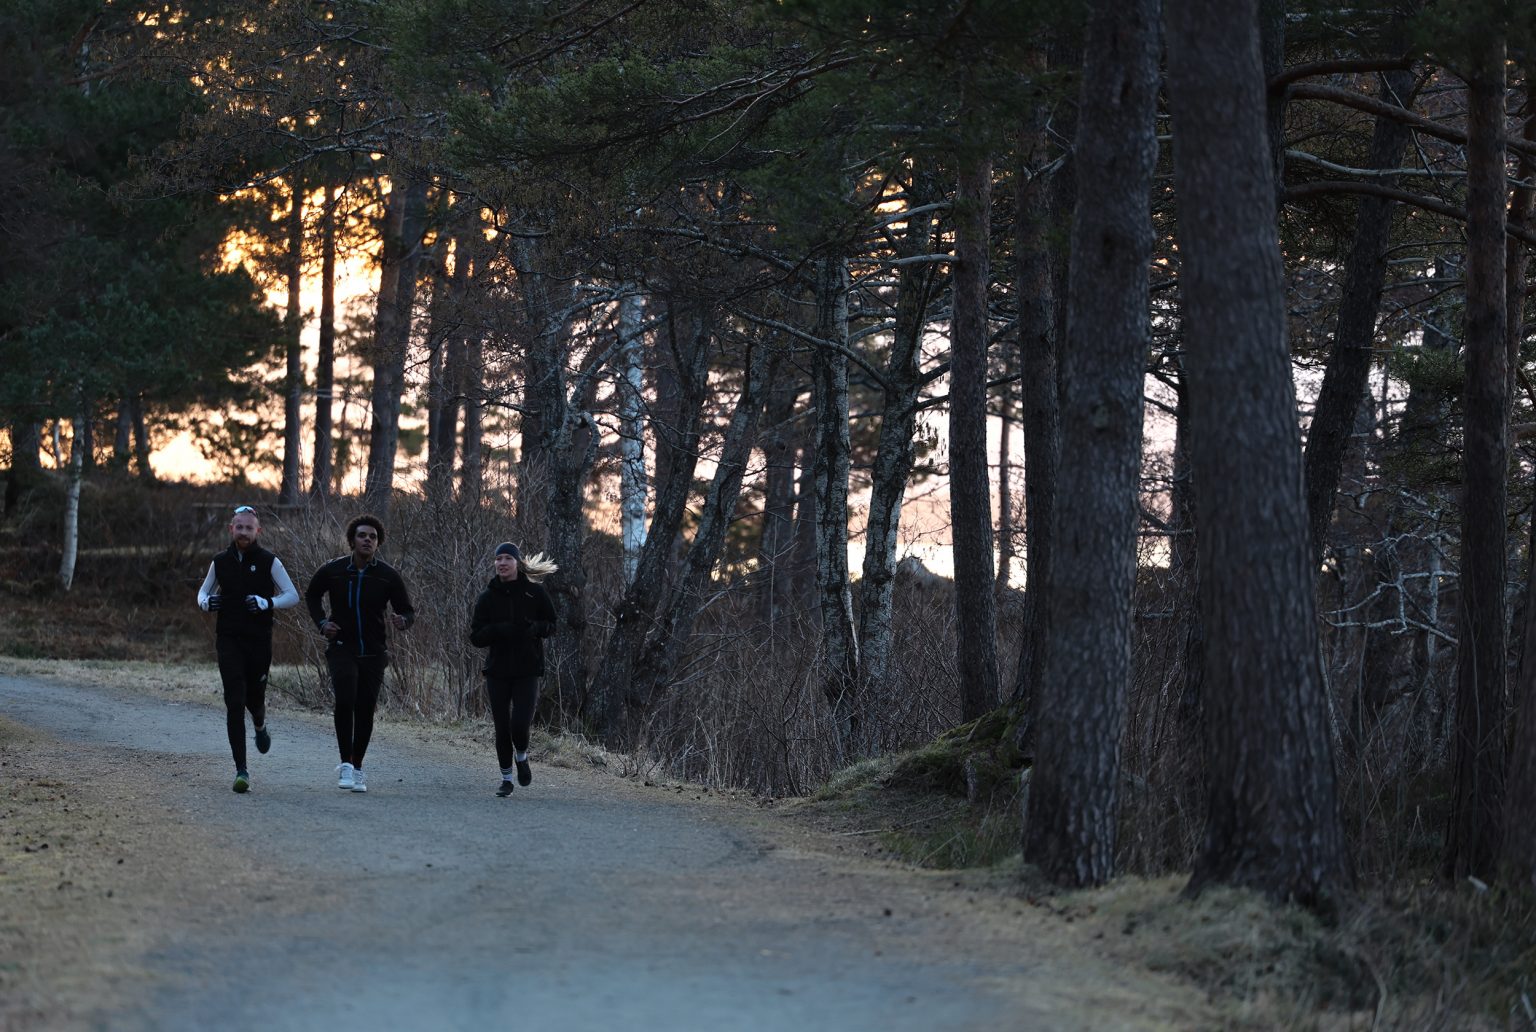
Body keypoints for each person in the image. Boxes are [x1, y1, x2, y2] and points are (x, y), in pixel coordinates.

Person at [304, 514, 415, 794]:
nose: (367, 540)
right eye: (362, 535)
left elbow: (407, 610)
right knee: (345, 700)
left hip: (374, 652)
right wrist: (322, 623)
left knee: (365, 708)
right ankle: (345, 764)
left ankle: (358, 767)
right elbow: (312, 595)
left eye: (373, 537)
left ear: (378, 543)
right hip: (342, 647)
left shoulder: (387, 575)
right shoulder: (334, 570)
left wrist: (403, 620)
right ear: (352, 540)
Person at [196, 505, 301, 794]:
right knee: (234, 701)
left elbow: (292, 595)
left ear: (258, 531)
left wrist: (268, 603)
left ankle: (260, 724)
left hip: (258, 641)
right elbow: (203, 592)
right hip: (228, 639)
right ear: (231, 529)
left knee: (254, 700)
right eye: (239, 527)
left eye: (248, 528)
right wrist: (205, 603)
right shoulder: (220, 561)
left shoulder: (269, 561)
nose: (243, 532)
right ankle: (241, 770)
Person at [469, 542, 558, 797]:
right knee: (502, 727)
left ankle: (521, 756)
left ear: (517, 563)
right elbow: (475, 637)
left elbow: (552, 624)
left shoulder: (535, 593)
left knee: (519, 725)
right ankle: (506, 779)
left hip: (527, 670)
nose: (502, 563)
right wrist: (498, 630)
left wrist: (535, 628)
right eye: (498, 559)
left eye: (508, 558)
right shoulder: (487, 597)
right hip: (497, 671)